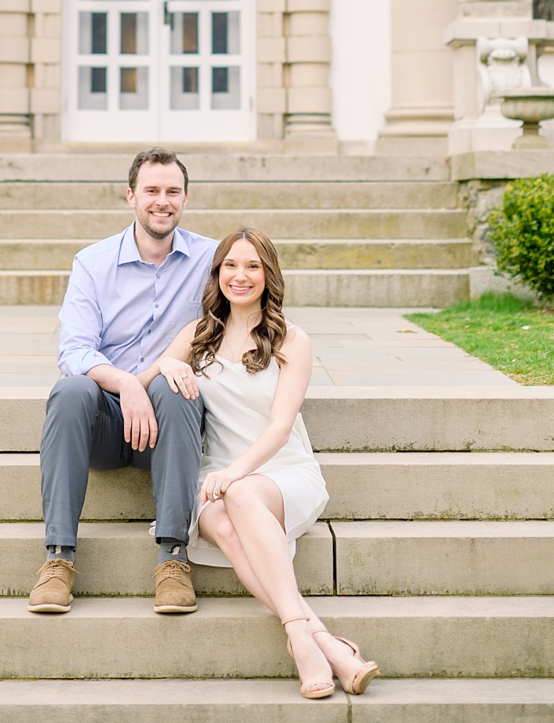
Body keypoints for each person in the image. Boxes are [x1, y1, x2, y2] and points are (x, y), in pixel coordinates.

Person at [149, 229, 377, 699]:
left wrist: (237, 474)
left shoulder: (293, 340)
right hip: (213, 477)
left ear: (268, 275)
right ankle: (329, 645)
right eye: (231, 265)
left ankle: (301, 637)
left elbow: (279, 427)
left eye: (253, 266)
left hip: (280, 471)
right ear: (217, 274)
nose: (240, 275)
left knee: (243, 492)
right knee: (227, 525)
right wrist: (167, 366)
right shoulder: (196, 336)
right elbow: (139, 382)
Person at [28, 148, 215, 618]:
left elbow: (237, 318)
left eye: (172, 191)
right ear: (131, 196)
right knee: (70, 390)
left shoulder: (212, 259)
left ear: (186, 199)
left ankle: (173, 557)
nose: (162, 201)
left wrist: (163, 371)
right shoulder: (92, 263)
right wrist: (127, 385)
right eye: (151, 190)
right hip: (107, 424)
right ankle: (58, 559)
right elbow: (73, 350)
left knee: (178, 385)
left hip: (171, 425)